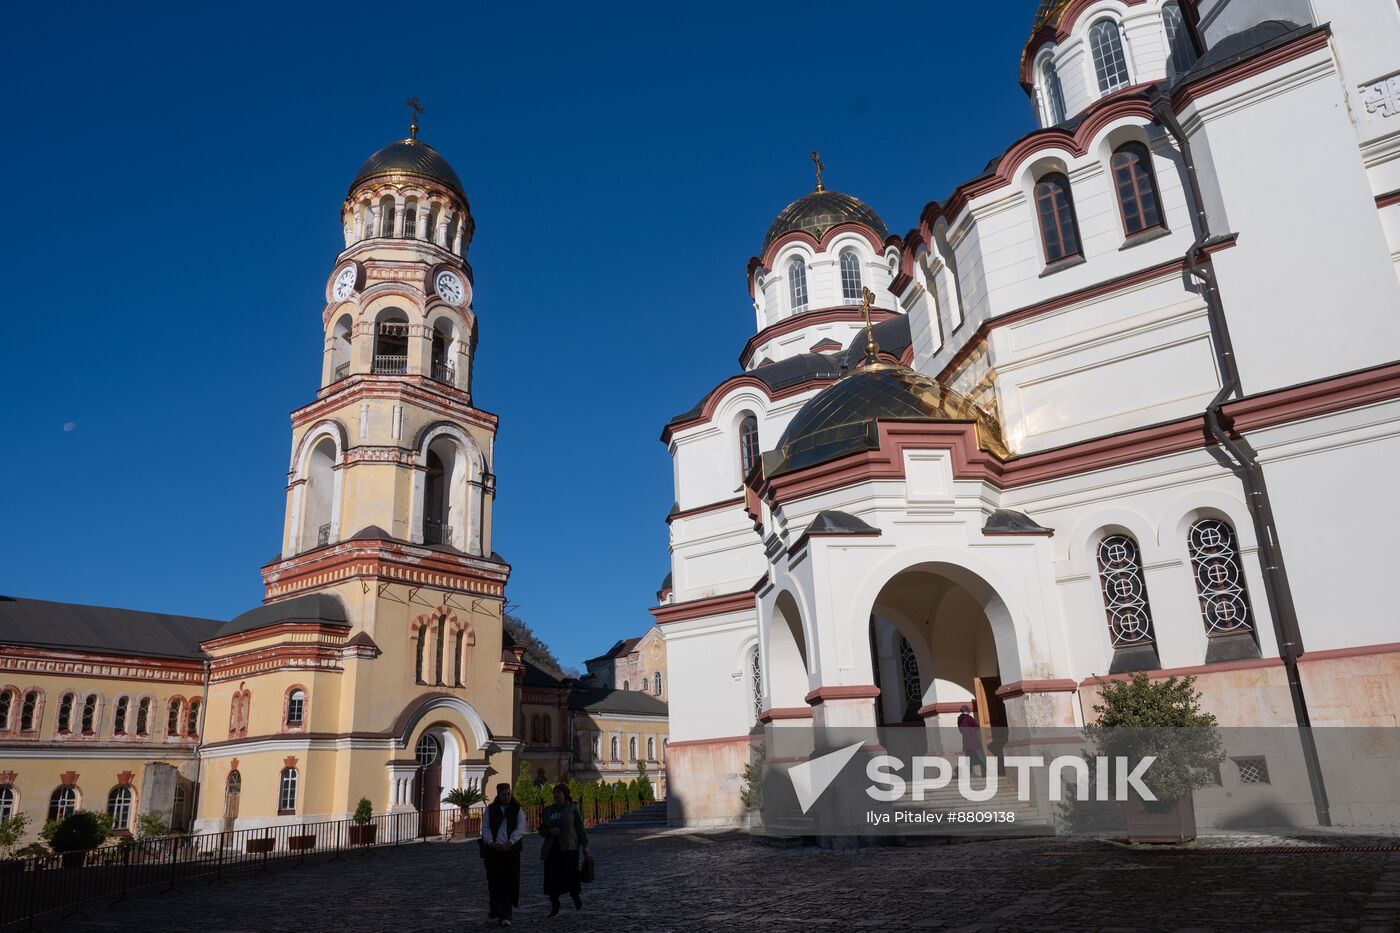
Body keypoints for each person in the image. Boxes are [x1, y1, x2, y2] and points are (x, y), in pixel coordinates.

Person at [538, 782, 588, 916]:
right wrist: (549, 831)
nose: (556, 795)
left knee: (571, 875)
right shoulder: (548, 810)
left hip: (569, 848)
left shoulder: (572, 809)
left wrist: (584, 846)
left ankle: (575, 895)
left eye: (559, 792)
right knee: (551, 878)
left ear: (565, 794)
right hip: (552, 849)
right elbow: (541, 829)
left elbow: (580, 828)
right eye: (554, 792)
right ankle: (555, 905)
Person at [482, 783, 524, 927]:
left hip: (510, 852)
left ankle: (506, 915)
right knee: (494, 883)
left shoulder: (517, 809)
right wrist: (490, 842)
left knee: (508, 883)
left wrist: (510, 843)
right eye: (504, 794)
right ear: (499, 795)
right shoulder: (491, 809)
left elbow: (520, 829)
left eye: (508, 794)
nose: (507, 797)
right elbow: (485, 828)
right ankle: (494, 910)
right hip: (493, 852)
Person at [956, 704, 988, 778]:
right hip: (973, 739)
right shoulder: (969, 718)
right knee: (981, 756)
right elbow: (976, 726)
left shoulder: (959, 719)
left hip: (965, 740)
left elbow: (960, 730)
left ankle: (968, 772)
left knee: (969, 757)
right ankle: (987, 771)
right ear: (967, 710)